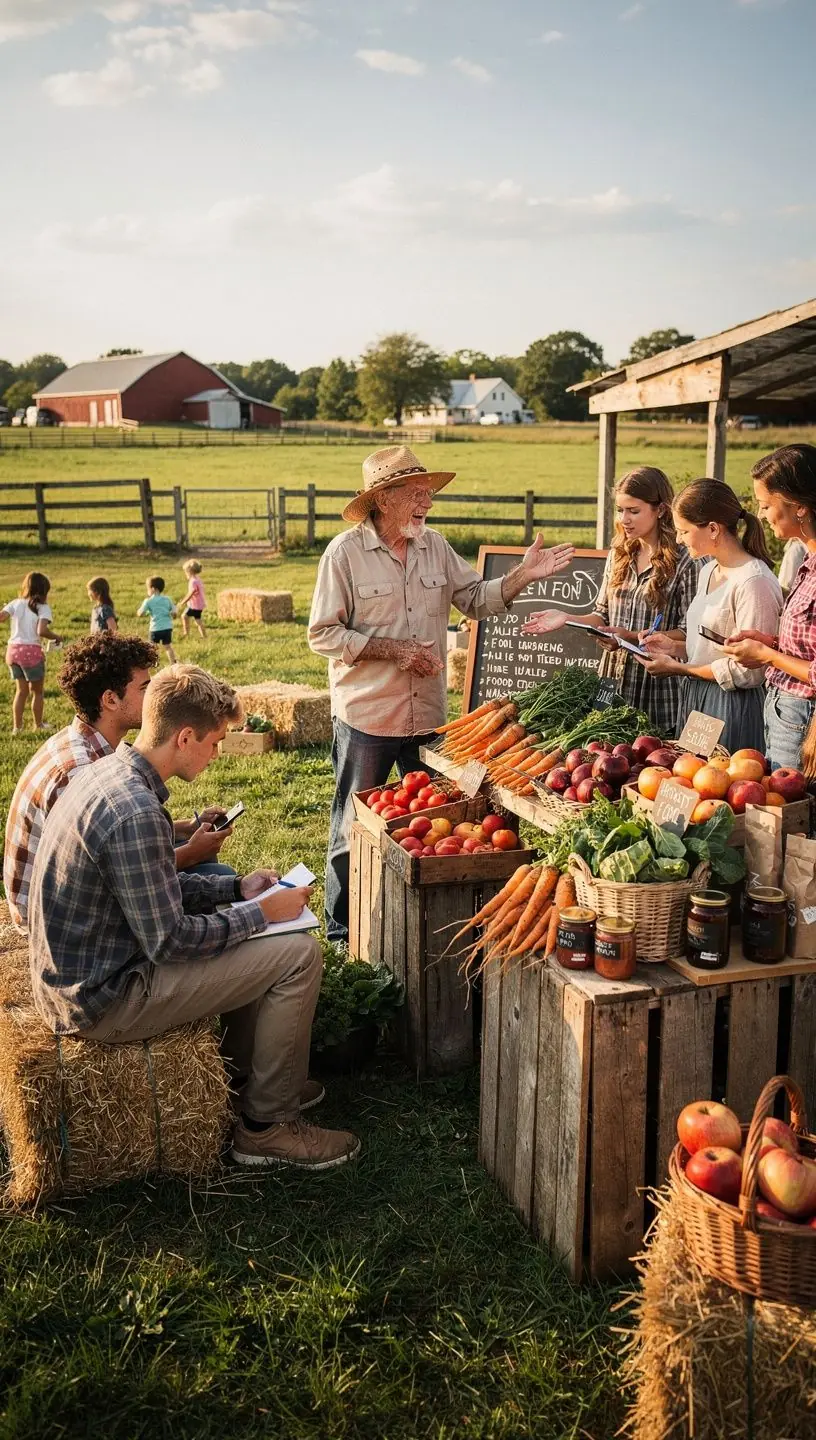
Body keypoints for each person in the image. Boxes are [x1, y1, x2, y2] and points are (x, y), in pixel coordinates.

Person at [27, 663, 360, 1171]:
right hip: (103, 999)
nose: (218, 753)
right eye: (216, 741)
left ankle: (251, 1078)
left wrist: (233, 887)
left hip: (89, 974)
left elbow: (149, 889)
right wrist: (258, 912)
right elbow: (170, 941)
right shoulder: (135, 810)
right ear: (185, 737)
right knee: (298, 953)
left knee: (260, 936)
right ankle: (267, 1128)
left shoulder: (108, 773)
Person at [308, 444, 574, 941]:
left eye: (428, 491)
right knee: (351, 826)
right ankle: (342, 932)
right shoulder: (343, 554)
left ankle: (423, 923)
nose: (427, 501)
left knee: (438, 824)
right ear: (383, 499)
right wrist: (394, 650)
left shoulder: (435, 545)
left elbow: (475, 600)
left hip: (429, 716)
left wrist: (521, 576)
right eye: (416, 492)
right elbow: (323, 633)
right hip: (368, 715)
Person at [4, 633, 234, 930]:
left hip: (69, 888)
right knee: (218, 875)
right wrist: (190, 853)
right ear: (111, 700)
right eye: (144, 688)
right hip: (50, 916)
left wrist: (184, 829)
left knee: (217, 875)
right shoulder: (82, 770)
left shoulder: (81, 742)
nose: (153, 696)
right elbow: (102, 872)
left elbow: (105, 839)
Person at [521, 467, 697, 732]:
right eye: (620, 510)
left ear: (660, 510)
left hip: (658, 687)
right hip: (612, 685)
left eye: (633, 511)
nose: (624, 519)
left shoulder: (686, 560)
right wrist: (567, 618)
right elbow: (601, 615)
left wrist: (630, 636)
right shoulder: (619, 553)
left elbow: (689, 633)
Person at [638, 479, 782, 753]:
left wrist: (678, 668)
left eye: (684, 531)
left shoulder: (754, 582)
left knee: (722, 785)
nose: (678, 539)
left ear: (713, 529)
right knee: (695, 781)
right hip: (697, 695)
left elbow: (749, 671)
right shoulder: (708, 571)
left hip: (731, 705)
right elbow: (712, 647)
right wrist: (674, 648)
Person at [724, 444, 816, 770]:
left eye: (765, 505)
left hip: (805, 722)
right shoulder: (806, 562)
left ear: (799, 507)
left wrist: (767, 657)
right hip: (787, 713)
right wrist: (772, 643)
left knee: (797, 815)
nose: (760, 515)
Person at [2, 571, 63, 735]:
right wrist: (56, 637)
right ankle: (38, 724)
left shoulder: (15, 603)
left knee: (21, 691)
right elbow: (41, 630)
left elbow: (1, 617)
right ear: (44, 591)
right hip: (31, 653)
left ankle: (17, 727)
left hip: (13, 652)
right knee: (37, 692)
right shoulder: (42, 608)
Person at [137, 576, 177, 663]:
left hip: (155, 628)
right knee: (168, 646)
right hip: (167, 627)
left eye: (148, 589)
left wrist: (143, 612)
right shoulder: (167, 599)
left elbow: (140, 613)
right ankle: (173, 663)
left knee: (152, 647)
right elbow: (174, 611)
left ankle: (152, 663)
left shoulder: (148, 601)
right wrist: (173, 615)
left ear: (153, 589)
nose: (147, 591)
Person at [180, 559, 207, 639]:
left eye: (185, 572)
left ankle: (186, 633)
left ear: (190, 572)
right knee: (198, 620)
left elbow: (191, 593)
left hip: (194, 605)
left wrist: (184, 601)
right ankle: (204, 636)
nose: (185, 574)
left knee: (184, 616)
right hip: (199, 605)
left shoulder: (193, 581)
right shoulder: (197, 579)